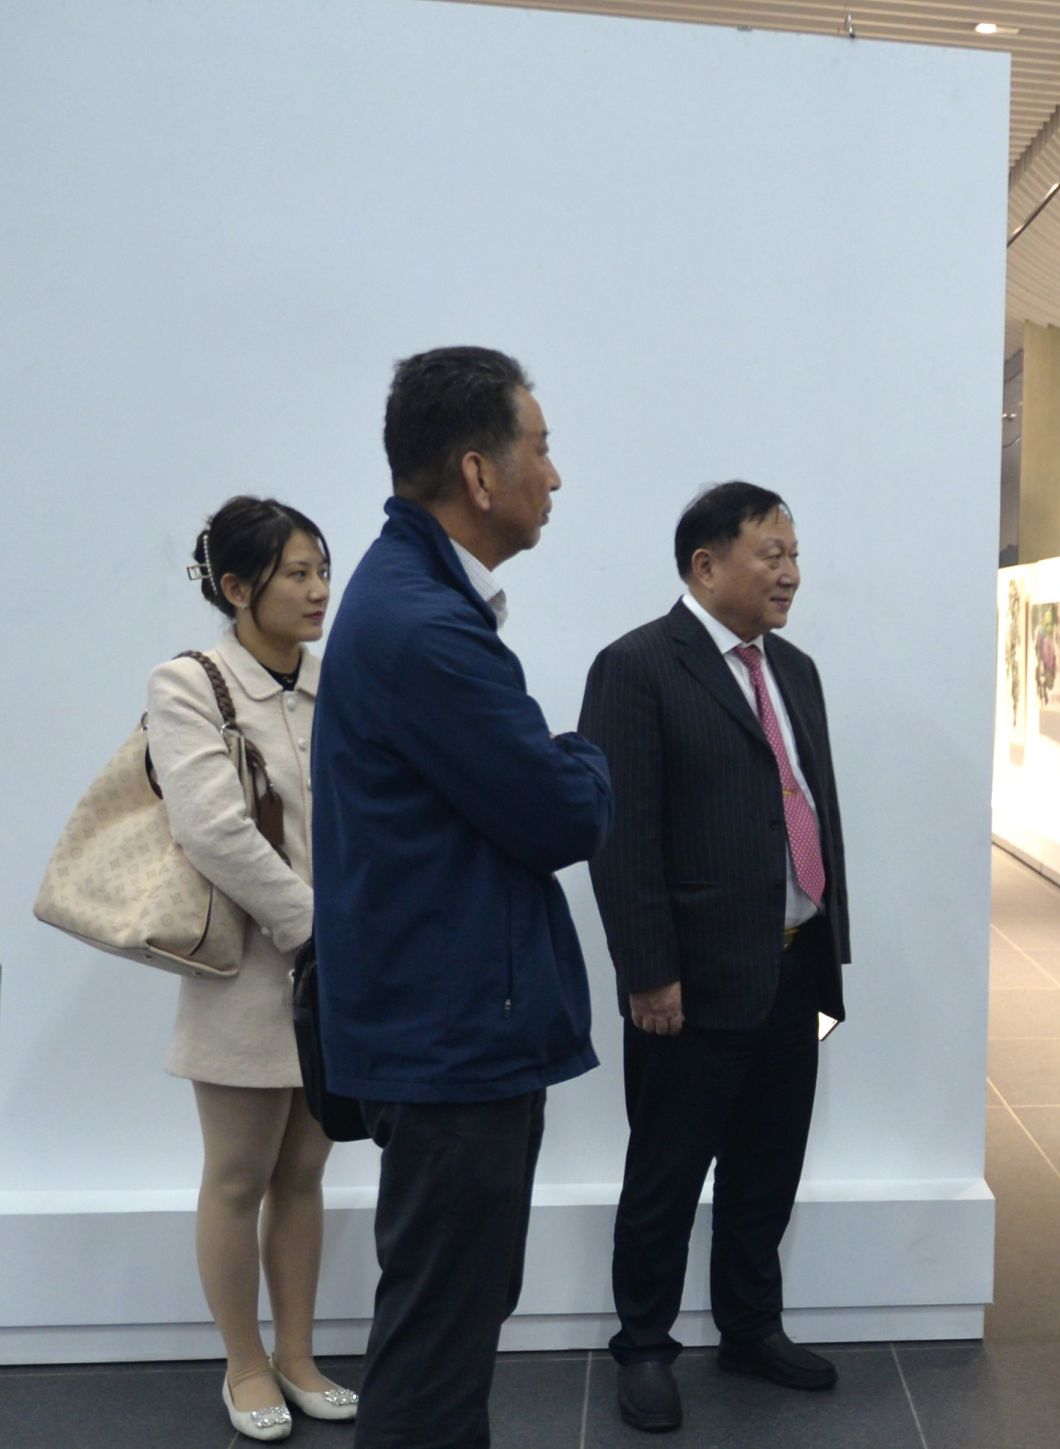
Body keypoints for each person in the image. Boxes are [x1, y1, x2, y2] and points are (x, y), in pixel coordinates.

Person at [312, 346, 614, 1449]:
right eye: (542, 447)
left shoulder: (415, 600)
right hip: (450, 1038)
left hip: (448, 1022)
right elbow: (562, 813)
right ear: (481, 473)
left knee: (450, 1320)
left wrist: (550, 758)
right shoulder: (425, 627)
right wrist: (586, 751)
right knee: (437, 1351)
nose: (556, 474)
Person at [580, 482, 851, 1435]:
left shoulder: (795, 669)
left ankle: (750, 1326)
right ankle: (645, 1346)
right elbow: (621, 838)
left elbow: (805, 803)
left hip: (795, 965)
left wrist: (825, 947)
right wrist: (648, 972)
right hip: (689, 982)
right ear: (705, 565)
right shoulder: (637, 667)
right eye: (772, 554)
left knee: (767, 1165)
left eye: (794, 553)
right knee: (665, 1172)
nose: (792, 573)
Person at [152, 497, 356, 1441]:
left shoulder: (335, 682)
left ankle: (299, 1354)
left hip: (335, 969)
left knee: (304, 1171)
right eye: (297, 573)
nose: (319, 590)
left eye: (322, 570)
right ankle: (243, 1363)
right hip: (247, 970)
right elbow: (211, 828)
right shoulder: (189, 682)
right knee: (237, 1174)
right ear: (236, 587)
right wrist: (316, 927)